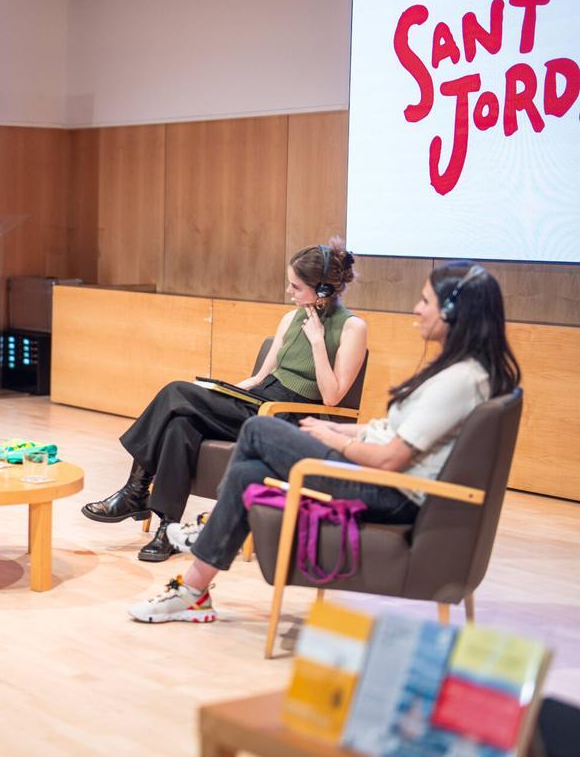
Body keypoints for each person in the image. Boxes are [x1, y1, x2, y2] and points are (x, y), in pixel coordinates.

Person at [128, 261, 520, 624]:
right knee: (249, 471)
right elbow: (400, 435)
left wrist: (334, 437)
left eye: (425, 301)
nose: (416, 309)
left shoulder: (459, 381)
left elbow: (389, 461)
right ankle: (195, 588)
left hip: (390, 492)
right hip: (384, 481)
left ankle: (207, 533)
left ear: (453, 312)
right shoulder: (465, 373)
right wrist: (346, 432)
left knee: (258, 431)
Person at [82, 239, 367, 562]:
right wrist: (219, 392)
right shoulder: (291, 319)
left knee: (176, 391)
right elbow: (260, 377)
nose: (289, 292)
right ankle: (168, 528)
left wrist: (317, 343)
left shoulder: (353, 327)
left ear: (324, 290)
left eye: (296, 286)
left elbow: (332, 398)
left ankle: (136, 491)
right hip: (258, 401)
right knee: (180, 421)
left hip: (285, 417)